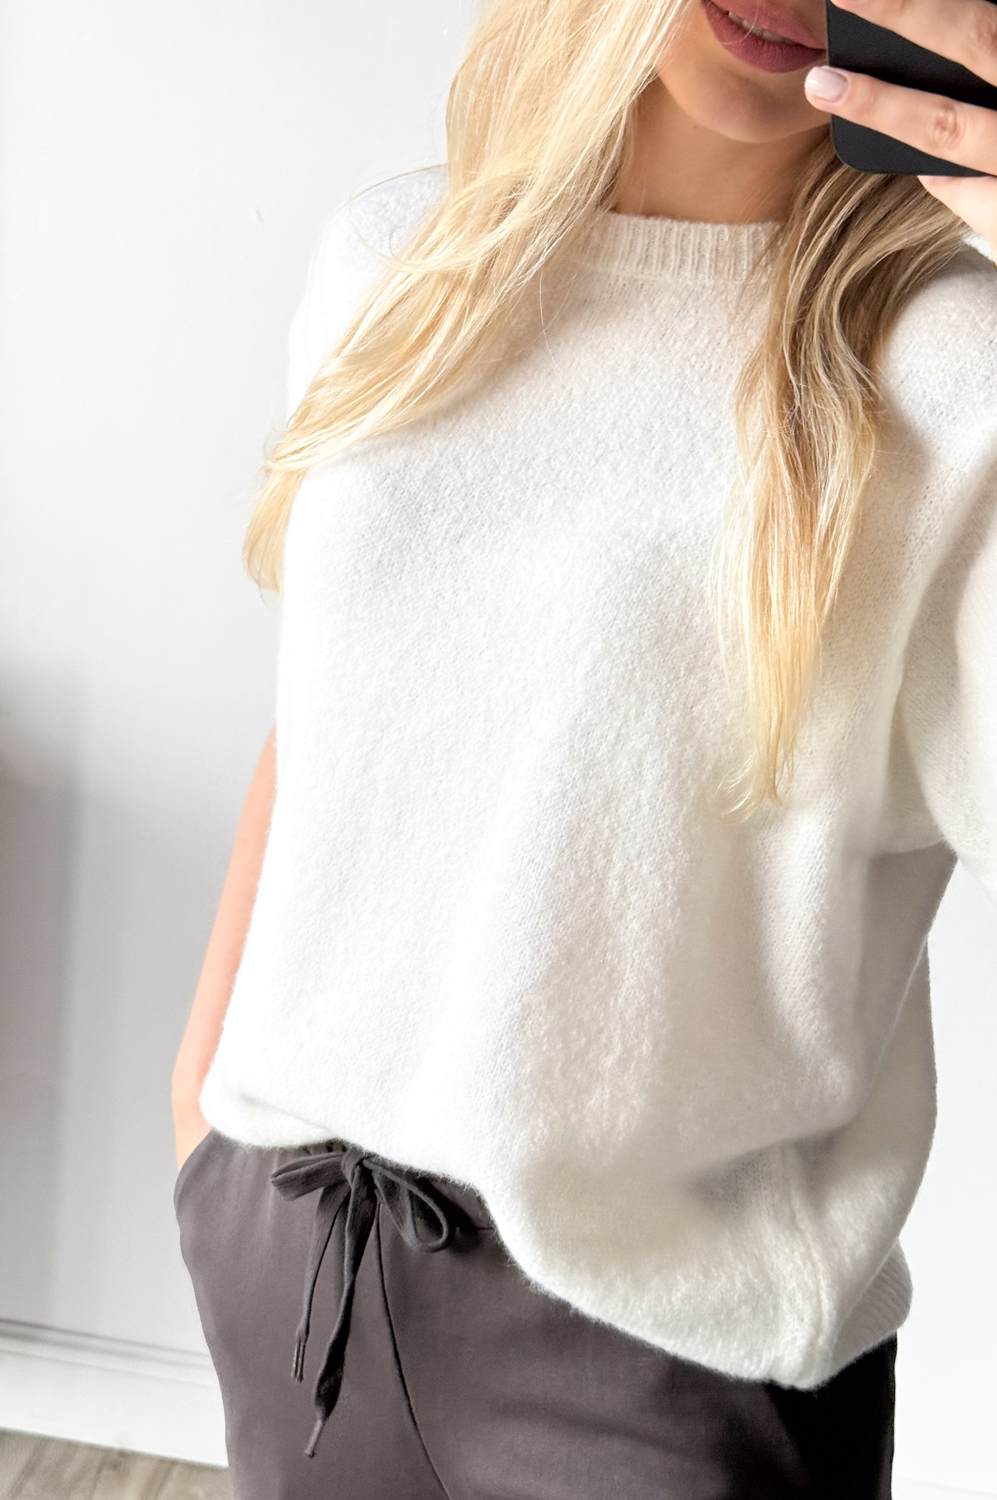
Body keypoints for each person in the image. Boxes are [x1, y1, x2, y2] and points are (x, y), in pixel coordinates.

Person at [171, 0, 997, 1494]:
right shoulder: (397, 258)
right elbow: (332, 715)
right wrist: (208, 1115)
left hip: (668, 1366)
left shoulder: (957, 379)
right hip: (303, 1258)